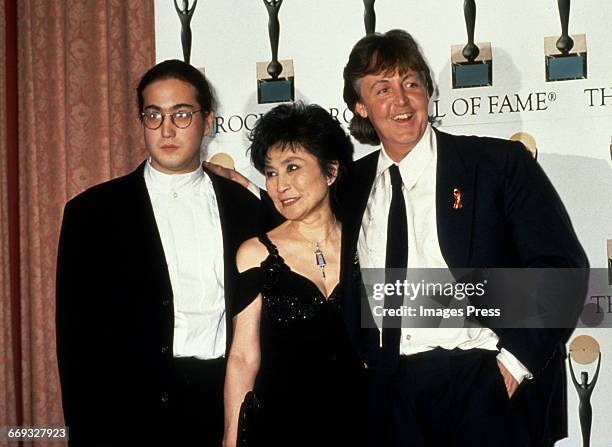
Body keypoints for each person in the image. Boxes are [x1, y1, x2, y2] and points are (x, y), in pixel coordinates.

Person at [339, 29, 589, 447]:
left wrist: (512, 366)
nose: (401, 101)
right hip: (389, 393)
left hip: (483, 378)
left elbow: (560, 268)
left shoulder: (496, 164)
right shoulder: (348, 188)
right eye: (382, 88)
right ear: (360, 106)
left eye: (411, 83)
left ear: (429, 93)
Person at [56, 59, 264, 445]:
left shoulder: (248, 208)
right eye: (154, 116)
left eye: (182, 115)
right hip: (128, 414)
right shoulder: (92, 213)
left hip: (221, 406)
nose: (167, 129)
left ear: (209, 122)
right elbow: (76, 344)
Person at [223, 102, 363, 447]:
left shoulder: (370, 242)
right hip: (281, 426)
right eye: (271, 173)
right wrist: (230, 438)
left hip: (365, 421)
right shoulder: (255, 253)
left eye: (293, 167)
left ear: (331, 171)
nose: (280, 185)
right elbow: (243, 357)